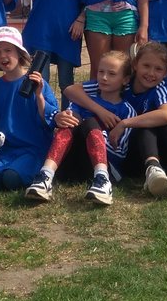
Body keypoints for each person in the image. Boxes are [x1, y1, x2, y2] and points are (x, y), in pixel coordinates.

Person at [70, 41, 167, 198]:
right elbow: (71, 90)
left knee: (158, 121)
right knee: (149, 121)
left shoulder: (160, 88)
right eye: (146, 66)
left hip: (148, 149)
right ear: (135, 65)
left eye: (158, 69)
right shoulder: (122, 81)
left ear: (166, 72)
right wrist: (101, 111)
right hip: (123, 154)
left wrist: (125, 123)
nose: (151, 73)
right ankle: (155, 169)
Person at [25, 50, 135, 206]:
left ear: (125, 80)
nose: (104, 77)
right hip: (74, 164)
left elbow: (120, 152)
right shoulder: (83, 100)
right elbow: (68, 108)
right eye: (101, 72)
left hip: (107, 166)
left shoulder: (127, 110)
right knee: (71, 121)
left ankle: (102, 181)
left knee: (89, 122)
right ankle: (45, 177)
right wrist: (63, 118)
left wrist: (93, 134)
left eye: (111, 74)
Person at [0, 26, 59, 192]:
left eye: (8, 50)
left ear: (19, 53)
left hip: (33, 148)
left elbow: (50, 118)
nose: (2, 56)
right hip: (6, 149)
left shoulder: (37, 84)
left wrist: (39, 96)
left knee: (11, 179)